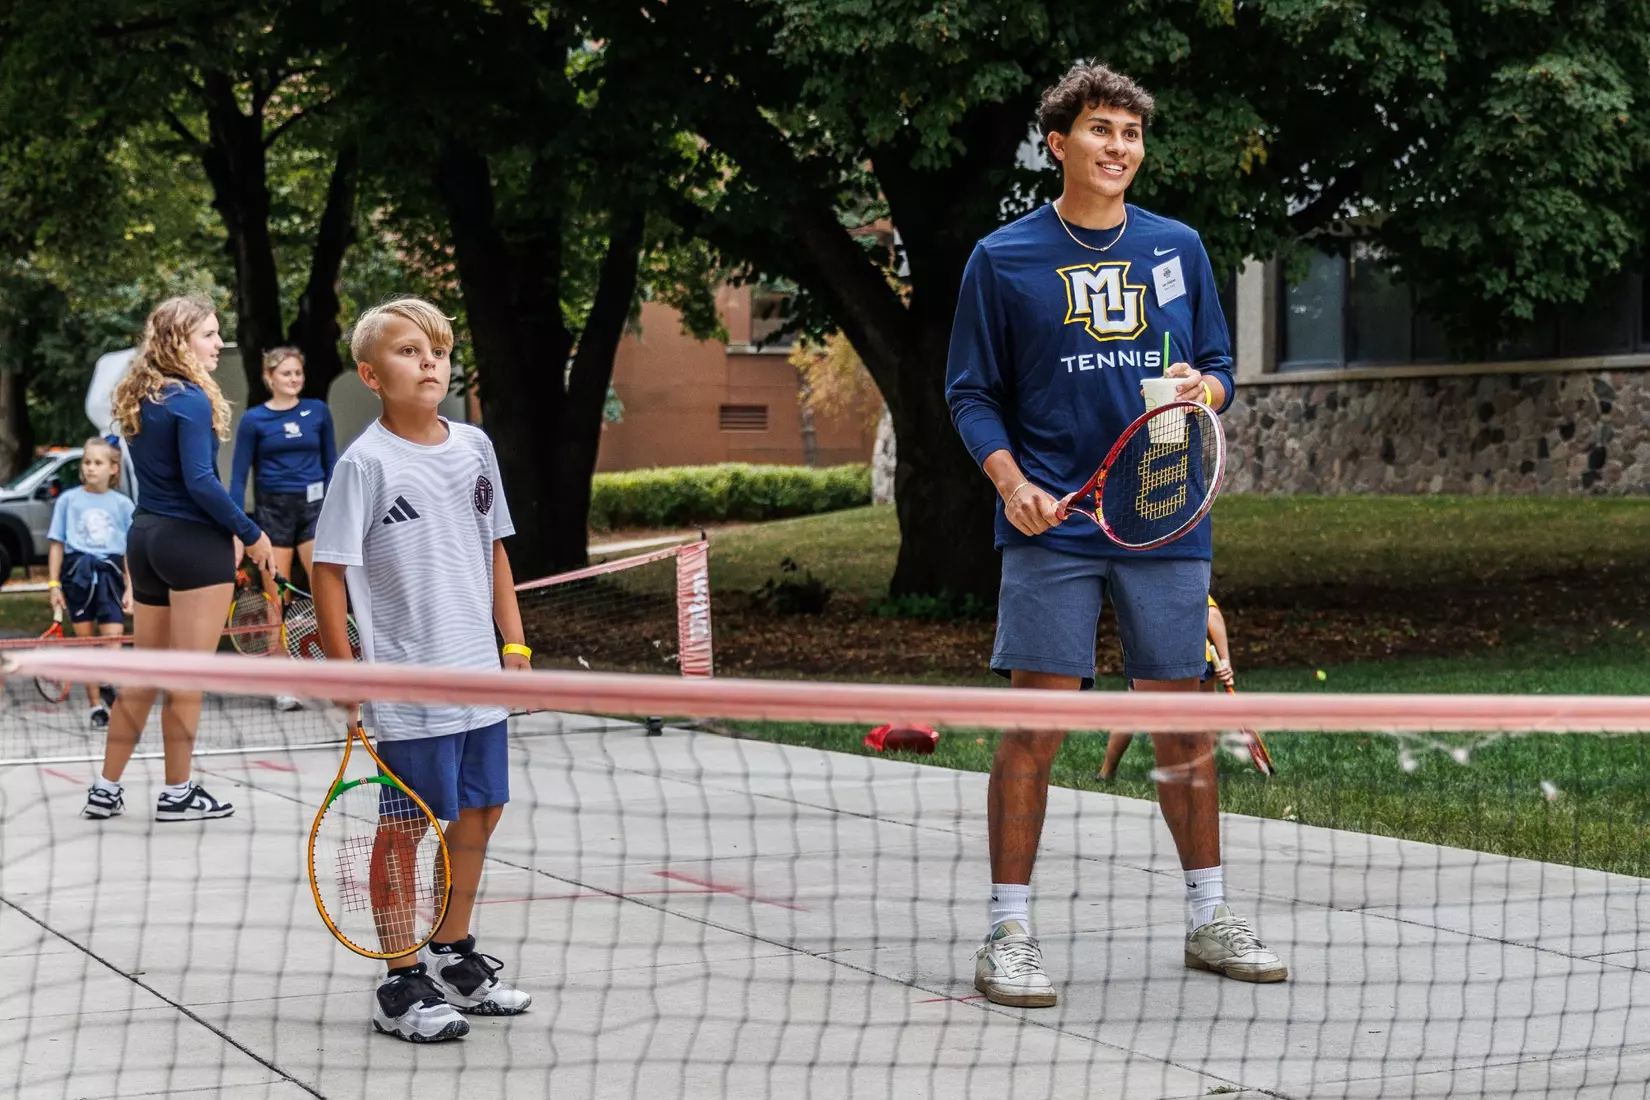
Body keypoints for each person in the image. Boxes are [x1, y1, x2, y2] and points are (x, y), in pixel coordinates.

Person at [944, 62, 1287, 1008]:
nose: (1118, 147)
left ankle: (1210, 915)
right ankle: (1008, 931)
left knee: (1180, 717)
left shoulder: (1178, 246)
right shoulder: (1001, 259)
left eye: (1131, 134)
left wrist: (1201, 391)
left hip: (1163, 511)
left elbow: (1219, 367)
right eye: (1100, 130)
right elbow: (970, 393)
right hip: (1051, 525)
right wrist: (1009, 483)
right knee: (1034, 727)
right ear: (1059, 143)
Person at [313, 296, 533, 1042]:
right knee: (406, 827)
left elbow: (495, 547)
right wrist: (347, 676)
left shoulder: (475, 446)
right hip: (406, 681)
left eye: (437, 348)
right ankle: (401, 981)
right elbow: (328, 572)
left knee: (481, 812)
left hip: (482, 677)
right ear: (372, 375)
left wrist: (516, 645)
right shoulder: (365, 464)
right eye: (409, 351)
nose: (430, 360)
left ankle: (451, 954)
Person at [82, 295, 276, 822]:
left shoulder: (140, 395)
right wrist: (250, 531)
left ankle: (105, 788)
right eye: (210, 335)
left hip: (145, 539)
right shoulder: (190, 398)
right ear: (180, 340)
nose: (218, 344)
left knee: (146, 673)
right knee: (186, 677)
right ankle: (178, 793)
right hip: (191, 546)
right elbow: (201, 481)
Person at [229, 347, 338, 711]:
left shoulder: (318, 412)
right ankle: (284, 682)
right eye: (286, 374)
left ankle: (338, 672)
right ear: (269, 377)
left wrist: (338, 511)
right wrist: (236, 528)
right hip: (273, 513)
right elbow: (238, 475)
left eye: (298, 373)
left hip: (314, 510)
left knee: (326, 587)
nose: (294, 379)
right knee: (276, 596)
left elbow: (330, 463)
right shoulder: (254, 420)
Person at [47, 438, 135, 727]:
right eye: (87, 462)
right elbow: (57, 545)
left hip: (110, 575)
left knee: (112, 641)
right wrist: (54, 585)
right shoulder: (67, 501)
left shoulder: (123, 504)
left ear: (112, 468)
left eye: (98, 463)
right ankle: (95, 706)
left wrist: (131, 587)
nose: (90, 468)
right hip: (78, 575)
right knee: (87, 643)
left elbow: (128, 552)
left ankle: (109, 684)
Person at [1098, 596, 1236, 780]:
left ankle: (1106, 772)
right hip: (1192, 658)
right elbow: (1212, 615)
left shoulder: (1137, 585)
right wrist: (1225, 659)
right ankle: (1202, 769)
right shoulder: (1186, 578)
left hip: (1149, 657)